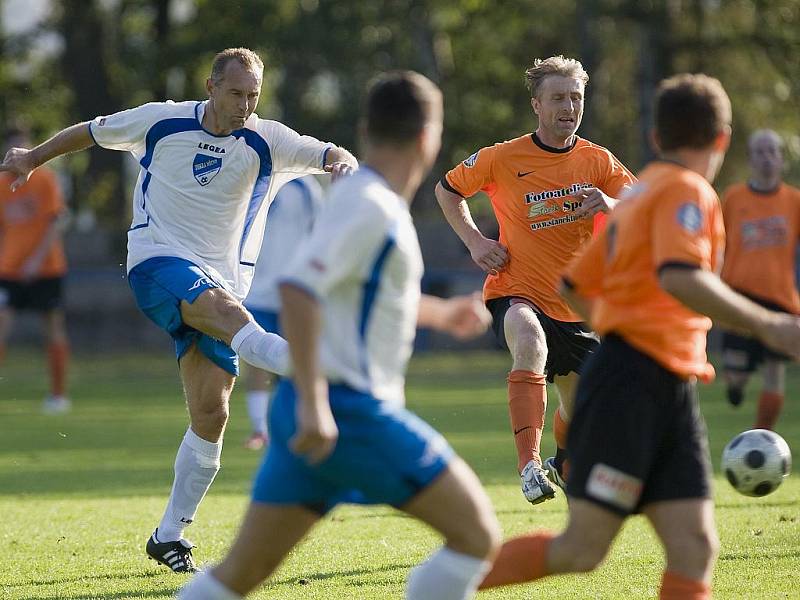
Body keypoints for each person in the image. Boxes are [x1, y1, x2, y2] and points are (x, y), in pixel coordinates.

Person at [0, 47, 358, 572]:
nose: (244, 104)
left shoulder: (268, 139)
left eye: (253, 95)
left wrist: (342, 165)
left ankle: (168, 535)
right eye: (236, 93)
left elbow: (329, 153)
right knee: (236, 320)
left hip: (222, 280)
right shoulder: (161, 120)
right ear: (211, 86)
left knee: (212, 414)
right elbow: (90, 131)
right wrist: (33, 158)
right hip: (155, 261)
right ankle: (329, 372)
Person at [177, 70, 501, 600]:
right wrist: (316, 404)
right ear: (428, 136)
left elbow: (359, 294)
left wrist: (441, 315)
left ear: (366, 128)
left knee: (237, 577)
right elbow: (300, 292)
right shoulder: (368, 203)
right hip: (349, 415)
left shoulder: (370, 202)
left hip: (314, 411)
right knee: (476, 537)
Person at [477, 74, 800, 599]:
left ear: (656, 138)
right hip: (635, 384)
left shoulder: (640, 191)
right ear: (722, 139)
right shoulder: (685, 191)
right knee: (583, 548)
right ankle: (446, 583)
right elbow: (680, 276)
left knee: (694, 546)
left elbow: (577, 287)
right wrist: (771, 325)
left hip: (660, 381)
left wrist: (621, 328)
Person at [435, 55, 635, 505]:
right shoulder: (502, 157)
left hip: (576, 307)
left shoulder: (598, 161)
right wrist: (475, 242)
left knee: (581, 410)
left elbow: (648, 207)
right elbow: (447, 190)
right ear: (537, 106)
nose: (569, 106)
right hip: (516, 289)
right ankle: (528, 466)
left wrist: (609, 203)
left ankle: (562, 462)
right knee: (529, 340)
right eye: (558, 98)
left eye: (576, 97)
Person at [718, 129, 800, 431]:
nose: (767, 158)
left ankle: (763, 436)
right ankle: (736, 383)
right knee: (737, 374)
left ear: (781, 159)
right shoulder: (734, 197)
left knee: (774, 368)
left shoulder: (793, 201)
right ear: (751, 159)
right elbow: (718, 241)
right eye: (760, 152)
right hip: (739, 296)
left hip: (780, 299)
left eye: (772, 152)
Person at [241, 175, 323, 450]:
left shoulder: (305, 187)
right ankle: (260, 429)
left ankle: (300, 423)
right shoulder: (251, 178)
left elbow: (319, 232)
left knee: (298, 361)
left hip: (293, 292)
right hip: (254, 290)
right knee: (253, 362)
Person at [0, 126, 71, 414]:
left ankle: (58, 395)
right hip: (9, 270)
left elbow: (55, 222)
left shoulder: (44, 179)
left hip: (47, 269)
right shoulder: (2, 184)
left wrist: (35, 260)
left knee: (53, 329)